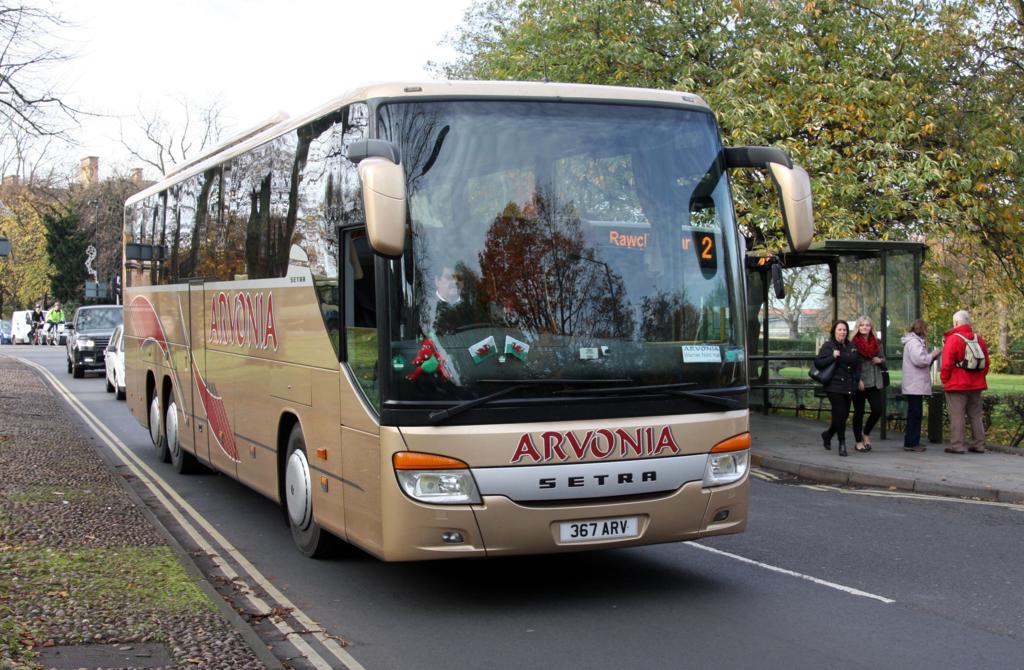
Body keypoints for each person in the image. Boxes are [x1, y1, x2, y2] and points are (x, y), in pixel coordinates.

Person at [940, 310, 990, 454]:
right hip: (976, 384)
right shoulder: (979, 339)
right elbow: (986, 362)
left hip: (957, 383)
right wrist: (980, 376)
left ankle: (957, 445)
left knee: (957, 414)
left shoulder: (953, 339)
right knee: (975, 414)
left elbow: (947, 363)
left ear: (956, 322)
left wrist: (945, 380)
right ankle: (979, 444)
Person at [814, 319, 861, 457]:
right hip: (834, 386)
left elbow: (857, 365)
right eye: (840, 329)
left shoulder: (851, 346)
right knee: (840, 414)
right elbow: (818, 363)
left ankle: (828, 435)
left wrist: (856, 380)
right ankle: (842, 443)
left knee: (843, 415)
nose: (842, 332)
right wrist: (832, 357)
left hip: (848, 386)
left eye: (844, 330)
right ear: (834, 331)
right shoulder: (829, 346)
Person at [900, 319, 941, 452]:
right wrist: (933, 355)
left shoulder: (912, 342)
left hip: (913, 384)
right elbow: (920, 360)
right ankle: (912, 443)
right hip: (915, 385)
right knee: (915, 414)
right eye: (926, 329)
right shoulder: (914, 343)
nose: (928, 331)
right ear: (921, 329)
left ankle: (912, 441)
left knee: (914, 413)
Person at [850, 316, 885, 453]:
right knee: (859, 412)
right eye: (862, 325)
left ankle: (866, 433)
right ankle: (858, 441)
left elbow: (884, 359)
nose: (865, 327)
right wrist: (857, 379)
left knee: (877, 409)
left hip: (875, 381)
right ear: (858, 327)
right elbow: (850, 364)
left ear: (871, 327)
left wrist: (880, 360)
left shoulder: (877, 342)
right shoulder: (853, 343)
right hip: (860, 381)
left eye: (867, 325)